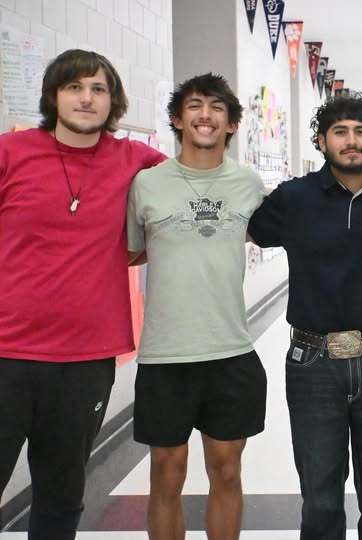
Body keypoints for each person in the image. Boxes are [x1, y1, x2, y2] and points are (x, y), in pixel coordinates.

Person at [247, 93, 362, 539]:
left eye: (361, 132)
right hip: (312, 362)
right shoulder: (294, 197)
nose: (352, 141)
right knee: (320, 494)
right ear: (322, 140)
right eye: (341, 132)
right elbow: (249, 228)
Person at [0, 49, 165, 540]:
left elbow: (196, 191)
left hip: (85, 360)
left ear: (113, 101)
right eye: (75, 87)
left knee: (61, 491)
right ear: (54, 95)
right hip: (6, 351)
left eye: (98, 89)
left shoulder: (136, 160)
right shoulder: (11, 152)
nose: (86, 98)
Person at [126, 73, 267, 540]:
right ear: (177, 118)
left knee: (227, 471)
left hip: (230, 350)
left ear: (231, 123)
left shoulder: (249, 183)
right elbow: (130, 250)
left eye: (216, 107)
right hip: (166, 355)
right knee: (166, 473)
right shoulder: (147, 185)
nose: (204, 114)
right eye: (193, 105)